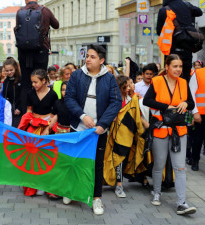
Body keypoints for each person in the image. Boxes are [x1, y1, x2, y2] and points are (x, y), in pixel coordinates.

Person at [65, 44, 122, 215]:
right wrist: (83, 116)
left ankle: (97, 198)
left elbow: (115, 102)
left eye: (92, 56)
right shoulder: (76, 75)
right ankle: (71, 191)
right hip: (78, 127)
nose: (88, 59)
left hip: (98, 131)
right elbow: (69, 98)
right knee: (74, 161)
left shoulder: (109, 78)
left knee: (96, 164)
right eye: (87, 56)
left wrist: (102, 124)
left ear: (101, 60)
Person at [143, 54, 196, 215]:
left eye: (180, 66)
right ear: (167, 67)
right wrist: (167, 106)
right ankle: (157, 192)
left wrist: (186, 103)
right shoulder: (158, 81)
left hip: (179, 130)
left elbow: (191, 103)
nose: (178, 69)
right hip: (161, 128)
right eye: (175, 66)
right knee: (159, 164)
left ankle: (182, 203)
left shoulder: (183, 82)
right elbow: (147, 100)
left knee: (180, 167)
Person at [18, 69, 58, 198]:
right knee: (31, 157)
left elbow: (54, 113)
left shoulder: (53, 95)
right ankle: (33, 186)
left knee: (46, 158)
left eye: (36, 82)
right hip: (33, 125)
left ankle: (47, 186)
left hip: (48, 126)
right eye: (32, 82)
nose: (33, 85)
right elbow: (29, 110)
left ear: (44, 81)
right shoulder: (30, 93)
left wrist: (48, 128)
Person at [16, 0, 59, 114]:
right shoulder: (44, 10)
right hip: (41, 51)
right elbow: (56, 25)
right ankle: (40, 111)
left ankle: (25, 113)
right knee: (40, 81)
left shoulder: (20, 12)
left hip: (24, 52)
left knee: (26, 83)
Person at [156, 0, 203, 82]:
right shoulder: (187, 6)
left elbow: (159, 31)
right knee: (185, 81)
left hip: (172, 52)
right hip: (187, 51)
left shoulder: (164, 10)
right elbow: (199, 12)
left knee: (171, 81)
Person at [189, 50, 205, 177]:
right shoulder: (198, 73)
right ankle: (195, 160)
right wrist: (195, 112)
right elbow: (192, 93)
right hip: (201, 114)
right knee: (198, 140)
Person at [2, 57, 22, 127]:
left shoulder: (21, 80)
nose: (9, 72)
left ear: (15, 68)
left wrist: (20, 108)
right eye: (7, 71)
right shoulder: (5, 82)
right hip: (8, 111)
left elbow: (24, 96)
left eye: (11, 70)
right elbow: (4, 96)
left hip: (19, 111)